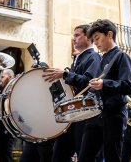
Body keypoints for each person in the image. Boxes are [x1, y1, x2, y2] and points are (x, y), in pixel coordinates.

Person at [79, 19, 131, 162]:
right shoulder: (100, 59)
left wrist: (104, 83)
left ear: (110, 34)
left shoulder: (122, 56)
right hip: (96, 115)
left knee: (112, 157)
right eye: (93, 40)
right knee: (84, 157)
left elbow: (128, 86)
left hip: (114, 115)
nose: (96, 43)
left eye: (97, 38)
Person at [42, 24, 101, 161]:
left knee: (83, 155)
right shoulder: (78, 59)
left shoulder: (93, 57)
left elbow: (88, 81)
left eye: (77, 35)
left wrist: (65, 74)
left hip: (84, 115)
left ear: (88, 37)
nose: (73, 39)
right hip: (72, 115)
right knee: (58, 155)